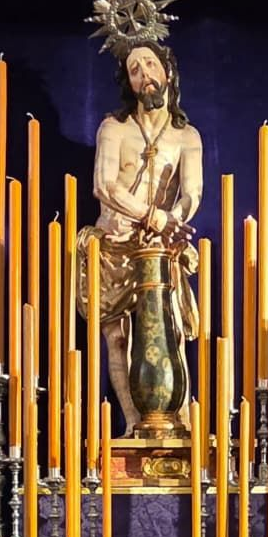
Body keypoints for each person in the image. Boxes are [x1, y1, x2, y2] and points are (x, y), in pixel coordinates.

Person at [78, 38, 202, 434]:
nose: (145, 74)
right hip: (115, 245)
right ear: (128, 83)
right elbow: (104, 185)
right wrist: (154, 217)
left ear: (167, 72)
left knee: (171, 330)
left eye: (150, 64)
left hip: (159, 248)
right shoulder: (114, 128)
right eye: (135, 70)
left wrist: (172, 222)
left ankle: (179, 423)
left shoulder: (187, 137)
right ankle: (133, 425)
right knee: (117, 338)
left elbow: (191, 193)